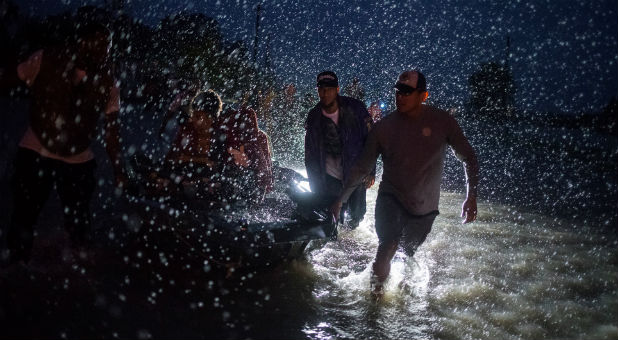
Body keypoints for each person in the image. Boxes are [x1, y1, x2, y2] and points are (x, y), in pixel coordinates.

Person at [330, 70, 479, 295]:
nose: (400, 96)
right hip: (391, 198)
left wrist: (471, 196)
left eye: (407, 92)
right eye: (398, 91)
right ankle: (374, 304)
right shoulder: (384, 128)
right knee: (387, 246)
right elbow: (361, 167)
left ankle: (401, 296)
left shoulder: (443, 122)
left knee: (405, 253)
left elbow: (469, 157)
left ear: (423, 95)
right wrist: (340, 200)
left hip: (425, 208)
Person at [2, 23, 126, 265]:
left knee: (79, 221)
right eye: (101, 44)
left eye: (109, 46)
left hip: (79, 159)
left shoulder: (108, 82)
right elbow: (8, 78)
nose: (106, 51)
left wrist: (119, 170)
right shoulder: (45, 59)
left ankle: (81, 270)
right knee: (24, 216)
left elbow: (112, 132)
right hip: (35, 150)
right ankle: (18, 268)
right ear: (81, 42)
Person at [304, 71, 374, 228]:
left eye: (329, 88)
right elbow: (310, 154)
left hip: (355, 174)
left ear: (337, 89)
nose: (325, 93)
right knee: (334, 219)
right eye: (321, 89)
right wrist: (315, 185)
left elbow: (371, 141)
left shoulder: (356, 109)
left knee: (356, 216)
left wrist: (371, 171)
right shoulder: (314, 117)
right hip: (329, 178)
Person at [220, 105, 274, 203]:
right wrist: (267, 181)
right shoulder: (259, 136)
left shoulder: (233, 135)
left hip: (242, 179)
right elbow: (266, 160)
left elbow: (265, 160)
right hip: (254, 180)